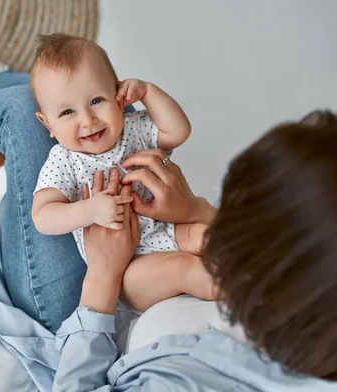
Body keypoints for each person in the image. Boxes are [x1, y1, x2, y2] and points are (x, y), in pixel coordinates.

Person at [0, 53, 337, 390]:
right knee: (59, 96)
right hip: (141, 244)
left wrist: (102, 276)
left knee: (22, 122)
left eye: (239, 207)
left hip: (96, 302)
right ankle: (20, 78)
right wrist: (194, 213)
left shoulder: (181, 376)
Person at [30, 34, 216, 311]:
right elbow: (42, 216)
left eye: (96, 101)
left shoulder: (133, 128)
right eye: (67, 111)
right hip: (129, 268)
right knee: (183, 267)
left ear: (118, 97)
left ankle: (262, 265)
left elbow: (178, 131)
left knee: (207, 236)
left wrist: (148, 92)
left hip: (170, 231)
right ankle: (235, 290)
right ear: (48, 125)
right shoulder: (64, 160)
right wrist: (90, 210)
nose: (87, 120)